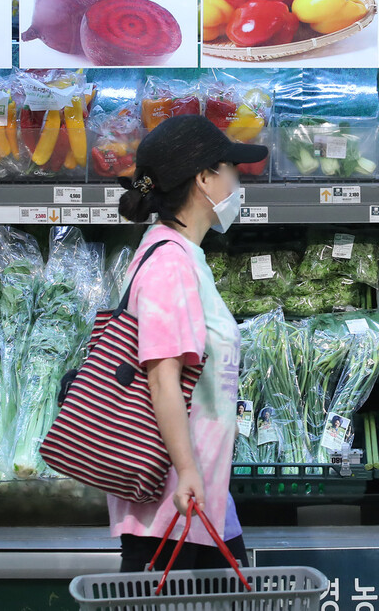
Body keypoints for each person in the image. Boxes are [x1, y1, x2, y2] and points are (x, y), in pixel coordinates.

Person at [111, 114, 267, 573]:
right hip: (174, 509)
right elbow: (162, 378)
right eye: (231, 169)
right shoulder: (170, 265)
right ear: (203, 178)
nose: (238, 181)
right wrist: (188, 470)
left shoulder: (180, 255)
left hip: (199, 499)